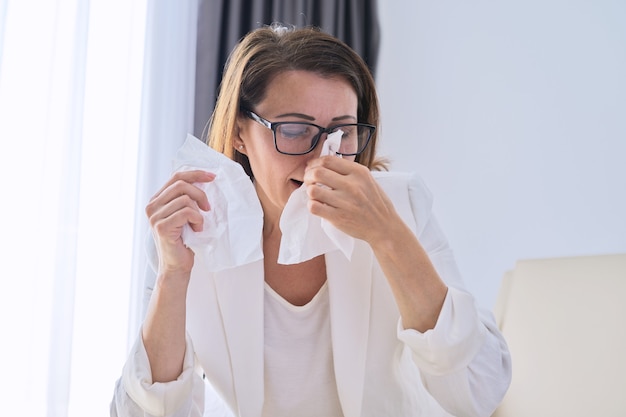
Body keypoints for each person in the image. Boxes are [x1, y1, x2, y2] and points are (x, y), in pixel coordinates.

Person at [111, 24, 511, 417]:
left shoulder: (401, 207)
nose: (322, 157)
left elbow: (479, 392)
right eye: (297, 130)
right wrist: (173, 275)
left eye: (343, 132)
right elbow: (144, 414)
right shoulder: (197, 231)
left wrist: (389, 237)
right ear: (239, 133)